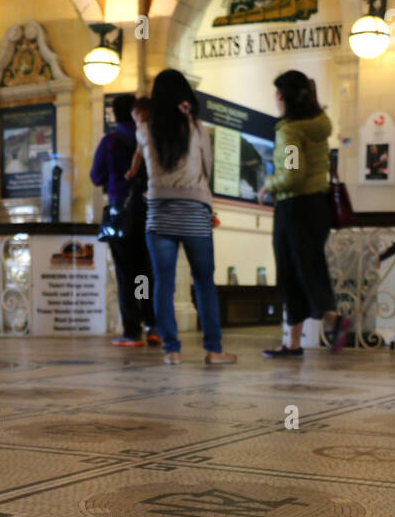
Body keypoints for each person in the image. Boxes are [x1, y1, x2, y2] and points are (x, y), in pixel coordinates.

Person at [136, 69, 235, 365]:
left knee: (163, 283)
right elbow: (207, 166)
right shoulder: (197, 128)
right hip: (194, 211)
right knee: (203, 281)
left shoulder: (145, 129)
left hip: (159, 213)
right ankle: (213, 349)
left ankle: (172, 350)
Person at [257, 71, 351, 358]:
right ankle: (294, 343)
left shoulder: (290, 130)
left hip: (294, 208)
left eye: (277, 93)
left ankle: (334, 320)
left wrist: (267, 186)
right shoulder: (319, 125)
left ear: (283, 96)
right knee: (308, 267)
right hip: (317, 206)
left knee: (292, 272)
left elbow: (294, 174)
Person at [90, 93, 159, 348]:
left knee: (126, 273)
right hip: (148, 211)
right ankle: (152, 325)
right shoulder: (150, 137)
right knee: (145, 272)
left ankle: (132, 331)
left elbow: (95, 177)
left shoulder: (111, 141)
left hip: (122, 213)